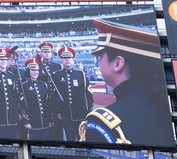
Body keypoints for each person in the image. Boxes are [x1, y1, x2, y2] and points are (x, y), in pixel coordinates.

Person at [83, 19, 172, 147]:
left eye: (100, 57)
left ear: (118, 63)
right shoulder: (166, 104)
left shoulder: (102, 123)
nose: (99, 62)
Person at [56, 44, 93, 143]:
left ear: (73, 60)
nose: (67, 60)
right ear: (61, 60)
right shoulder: (57, 75)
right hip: (65, 114)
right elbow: (54, 95)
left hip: (81, 114)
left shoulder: (81, 74)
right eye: (64, 58)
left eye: (69, 58)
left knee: (82, 139)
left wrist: (89, 110)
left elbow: (89, 94)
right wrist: (57, 111)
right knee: (70, 139)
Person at [21, 55, 62, 140]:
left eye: (36, 70)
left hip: (45, 121)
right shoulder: (24, 86)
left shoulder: (44, 85)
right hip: (32, 122)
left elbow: (49, 103)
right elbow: (22, 105)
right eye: (32, 70)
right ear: (28, 71)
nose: (35, 72)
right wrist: (26, 121)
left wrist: (51, 118)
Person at [0, 47, 24, 140]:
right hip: (0, 114)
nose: (4, 61)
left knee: (15, 140)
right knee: (3, 141)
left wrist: (19, 112)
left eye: (5, 59)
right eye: (1, 59)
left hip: (13, 114)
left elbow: (16, 96)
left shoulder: (12, 76)